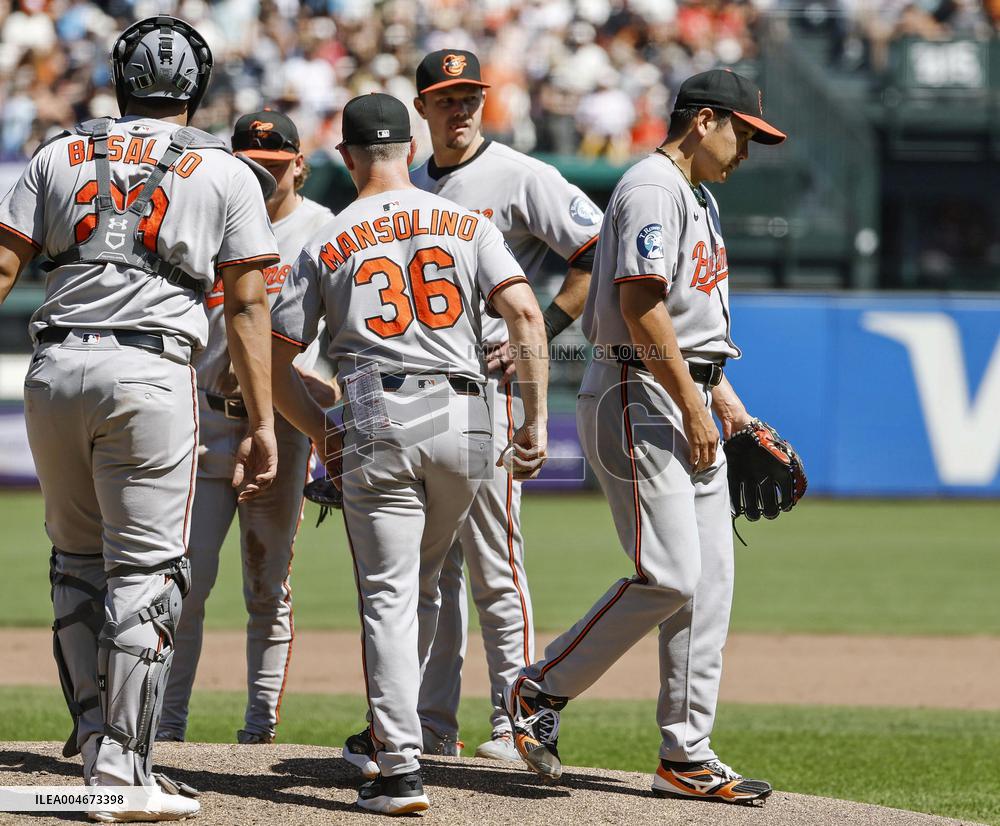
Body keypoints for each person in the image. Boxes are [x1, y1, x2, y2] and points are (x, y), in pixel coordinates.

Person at [0, 15, 278, 822]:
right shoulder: (225, 172)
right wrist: (261, 420)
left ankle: (90, 743)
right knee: (147, 571)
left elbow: (5, 263)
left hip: (54, 368)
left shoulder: (56, 152)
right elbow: (250, 303)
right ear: (196, 86)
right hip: (153, 371)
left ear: (119, 79)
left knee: (76, 559)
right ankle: (120, 771)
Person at [503, 68, 787, 806]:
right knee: (670, 574)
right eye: (743, 133)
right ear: (704, 121)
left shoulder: (697, 195)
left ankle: (686, 754)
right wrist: (693, 407)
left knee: (710, 587)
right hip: (640, 392)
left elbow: (693, 334)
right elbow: (642, 310)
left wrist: (733, 413)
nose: (747, 151)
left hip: (677, 387)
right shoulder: (652, 186)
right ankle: (540, 687)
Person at [268, 92, 549, 815]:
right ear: (407, 146)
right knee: (429, 579)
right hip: (467, 412)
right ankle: (426, 730)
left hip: (378, 405)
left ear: (348, 157)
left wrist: (326, 434)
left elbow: (274, 358)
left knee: (391, 594)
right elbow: (523, 311)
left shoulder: (329, 234)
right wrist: (536, 419)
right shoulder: (464, 219)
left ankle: (398, 765)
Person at [345, 47, 600, 763]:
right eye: (446, 97)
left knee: (494, 561)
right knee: (433, 573)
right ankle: (431, 723)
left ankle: (511, 720)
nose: (460, 108)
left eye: (470, 96)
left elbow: (595, 247)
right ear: (421, 107)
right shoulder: (410, 182)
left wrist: (542, 332)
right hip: (416, 393)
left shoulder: (519, 175)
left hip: (486, 386)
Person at [157, 109, 333, 746]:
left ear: (299, 166)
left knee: (267, 585)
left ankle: (259, 734)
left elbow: (339, 346)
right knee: (186, 582)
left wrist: (319, 414)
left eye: (275, 164)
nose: (263, 173)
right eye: (250, 163)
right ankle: (166, 728)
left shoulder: (323, 230)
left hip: (282, 429)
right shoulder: (209, 217)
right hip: (203, 421)